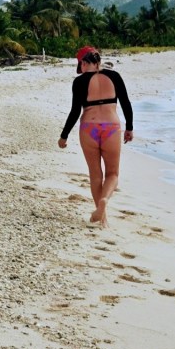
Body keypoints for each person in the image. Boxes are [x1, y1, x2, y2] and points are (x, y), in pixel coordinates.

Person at [58, 46, 134, 228]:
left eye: (80, 65)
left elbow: (75, 110)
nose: (81, 69)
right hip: (111, 127)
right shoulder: (114, 76)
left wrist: (64, 136)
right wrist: (129, 127)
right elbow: (125, 103)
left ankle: (103, 217)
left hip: (89, 128)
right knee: (113, 173)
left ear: (84, 63)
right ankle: (105, 200)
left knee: (95, 174)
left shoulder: (79, 82)